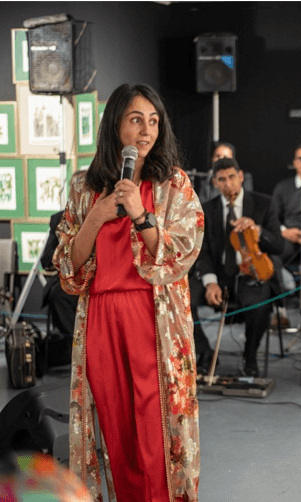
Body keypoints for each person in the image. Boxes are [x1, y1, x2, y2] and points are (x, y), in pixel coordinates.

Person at [53, 83, 204, 501]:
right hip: (101, 321)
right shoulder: (84, 187)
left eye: (153, 121)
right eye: (136, 120)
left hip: (152, 319)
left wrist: (140, 214)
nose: (146, 131)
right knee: (116, 432)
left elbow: (182, 252)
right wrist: (97, 217)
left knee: (155, 433)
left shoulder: (173, 184)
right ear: (114, 125)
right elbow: (67, 266)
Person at [192, 157, 284, 377]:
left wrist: (258, 230)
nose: (228, 184)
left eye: (232, 177)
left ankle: (249, 357)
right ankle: (205, 352)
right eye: (222, 180)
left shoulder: (264, 203)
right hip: (218, 275)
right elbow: (202, 251)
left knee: (260, 304)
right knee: (181, 298)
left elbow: (280, 246)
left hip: (250, 275)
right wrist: (210, 282)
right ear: (214, 183)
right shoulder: (206, 209)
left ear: (241, 176)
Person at [39, 171, 86, 341]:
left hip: (93, 277)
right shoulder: (59, 219)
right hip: (67, 279)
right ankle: (76, 342)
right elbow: (46, 260)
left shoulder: (102, 216)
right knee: (58, 295)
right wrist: (66, 250)